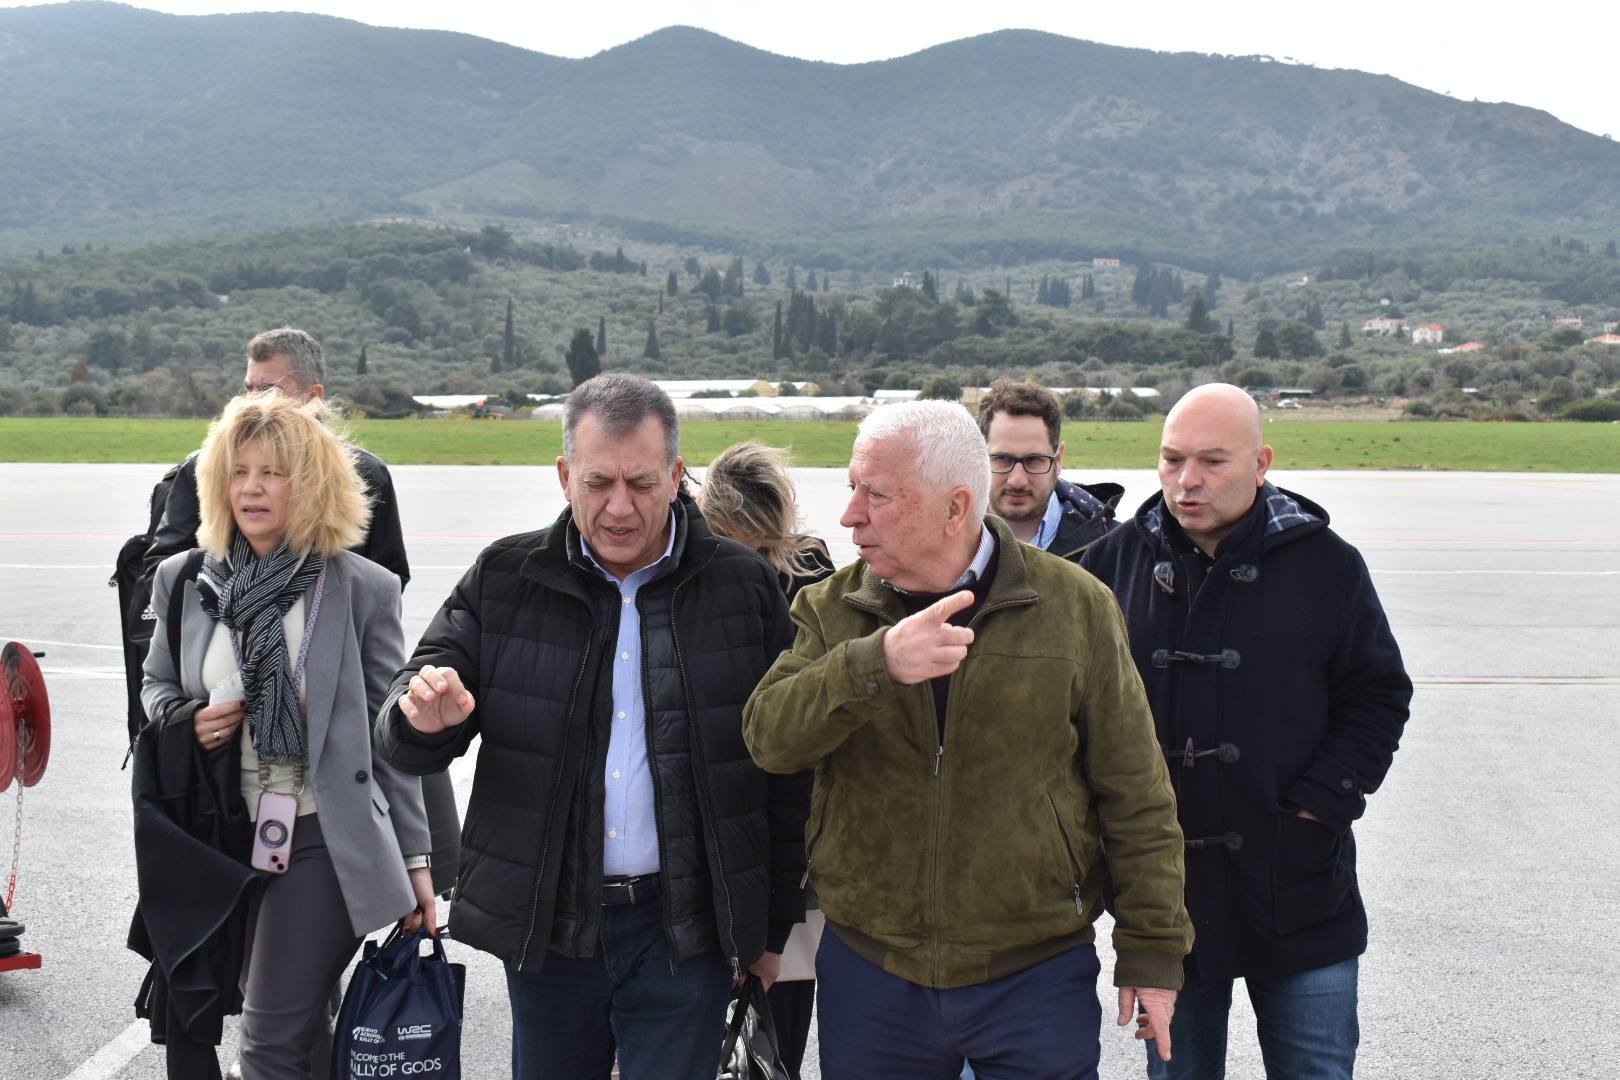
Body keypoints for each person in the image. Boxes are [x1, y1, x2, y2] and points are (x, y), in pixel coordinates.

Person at [373, 373, 810, 1080]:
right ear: (564, 476)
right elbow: (405, 721)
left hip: (687, 934)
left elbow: (787, 771)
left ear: (677, 476)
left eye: (642, 483)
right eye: (598, 482)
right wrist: (421, 719)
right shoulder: (504, 578)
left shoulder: (744, 587)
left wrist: (770, 928)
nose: (619, 506)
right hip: (552, 932)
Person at [743, 400, 1193, 1079]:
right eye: (853, 488)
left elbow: (1136, 792)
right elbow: (768, 739)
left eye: (877, 495)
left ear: (955, 508)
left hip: (1034, 975)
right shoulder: (832, 609)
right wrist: (874, 665)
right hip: (874, 974)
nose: (850, 515)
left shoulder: (1075, 607)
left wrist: (1152, 952)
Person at [1080, 383, 1412, 1080]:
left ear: (1261, 463)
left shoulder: (1326, 564)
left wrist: (1319, 808)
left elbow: (1378, 695)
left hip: (1299, 885)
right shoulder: (1110, 568)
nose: (1185, 480)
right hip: (1166, 901)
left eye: (1212, 461)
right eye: (1171, 459)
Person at [139, 393, 436, 1079]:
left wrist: (418, 861)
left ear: (311, 485)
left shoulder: (363, 588)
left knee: (269, 1037)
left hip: (322, 833)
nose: (252, 488)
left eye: (272, 472)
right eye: (239, 472)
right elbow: (154, 687)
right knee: (299, 1033)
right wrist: (185, 718)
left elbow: (390, 736)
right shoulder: (183, 580)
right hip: (221, 835)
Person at [696, 441, 834, 1080]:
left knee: (778, 1029)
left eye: (760, 545)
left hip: (791, 828)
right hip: (713, 829)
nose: (747, 558)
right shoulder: (687, 572)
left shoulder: (811, 575)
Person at [975, 379, 1122, 560]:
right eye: (1002, 459)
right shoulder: (946, 540)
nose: (1017, 481)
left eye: (1034, 460)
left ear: (1058, 459)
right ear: (978, 457)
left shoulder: (1116, 550)